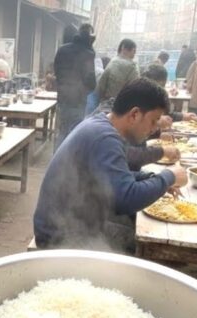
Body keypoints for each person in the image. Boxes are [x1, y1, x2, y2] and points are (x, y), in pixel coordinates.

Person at [33, 78, 187, 252]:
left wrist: (152, 177)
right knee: (144, 247)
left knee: (135, 229)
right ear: (135, 114)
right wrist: (169, 177)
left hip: (75, 224)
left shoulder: (102, 125)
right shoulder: (105, 137)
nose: (154, 129)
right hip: (60, 236)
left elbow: (114, 176)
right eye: (153, 121)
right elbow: (126, 199)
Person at [54, 24, 97, 150]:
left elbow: (57, 72)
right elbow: (91, 81)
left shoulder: (62, 50)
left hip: (62, 98)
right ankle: (67, 164)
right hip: (77, 100)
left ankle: (55, 161)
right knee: (73, 133)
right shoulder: (88, 53)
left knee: (62, 131)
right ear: (90, 39)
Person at [95, 38, 139, 105]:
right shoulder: (132, 67)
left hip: (106, 103)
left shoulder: (113, 61)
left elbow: (101, 84)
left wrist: (102, 99)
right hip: (123, 105)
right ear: (124, 48)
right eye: (134, 51)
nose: (134, 54)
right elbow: (135, 89)